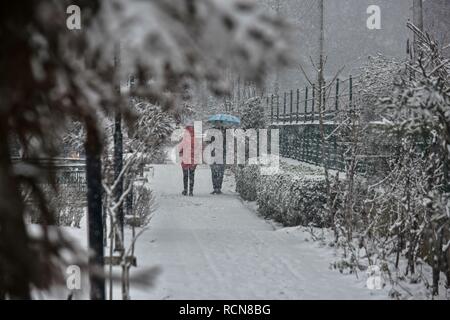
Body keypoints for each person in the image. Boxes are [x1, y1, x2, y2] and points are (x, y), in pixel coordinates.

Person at [208, 123, 227, 195]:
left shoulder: (225, 131)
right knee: (215, 171)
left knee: (219, 172)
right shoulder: (212, 131)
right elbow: (209, 141)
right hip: (215, 154)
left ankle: (218, 188)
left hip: (221, 154)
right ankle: (216, 188)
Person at [179, 125, 197, 196]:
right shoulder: (196, 139)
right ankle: (191, 191)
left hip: (185, 159)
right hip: (193, 159)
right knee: (192, 175)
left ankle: (185, 190)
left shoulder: (185, 138)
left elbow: (181, 148)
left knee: (185, 175)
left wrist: (180, 153)